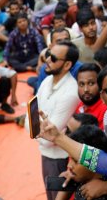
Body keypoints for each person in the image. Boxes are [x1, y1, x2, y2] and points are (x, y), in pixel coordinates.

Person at [35, 42, 81, 200]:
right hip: (45, 154)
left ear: (67, 64)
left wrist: (35, 129)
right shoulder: (47, 81)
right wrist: (38, 130)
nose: (47, 59)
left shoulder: (71, 92)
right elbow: (30, 116)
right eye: (48, 54)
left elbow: (49, 139)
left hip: (59, 158)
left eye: (53, 58)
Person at [71, 63, 107, 129]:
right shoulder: (79, 105)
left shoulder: (106, 111)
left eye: (91, 83)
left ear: (100, 84)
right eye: (81, 84)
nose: (86, 89)